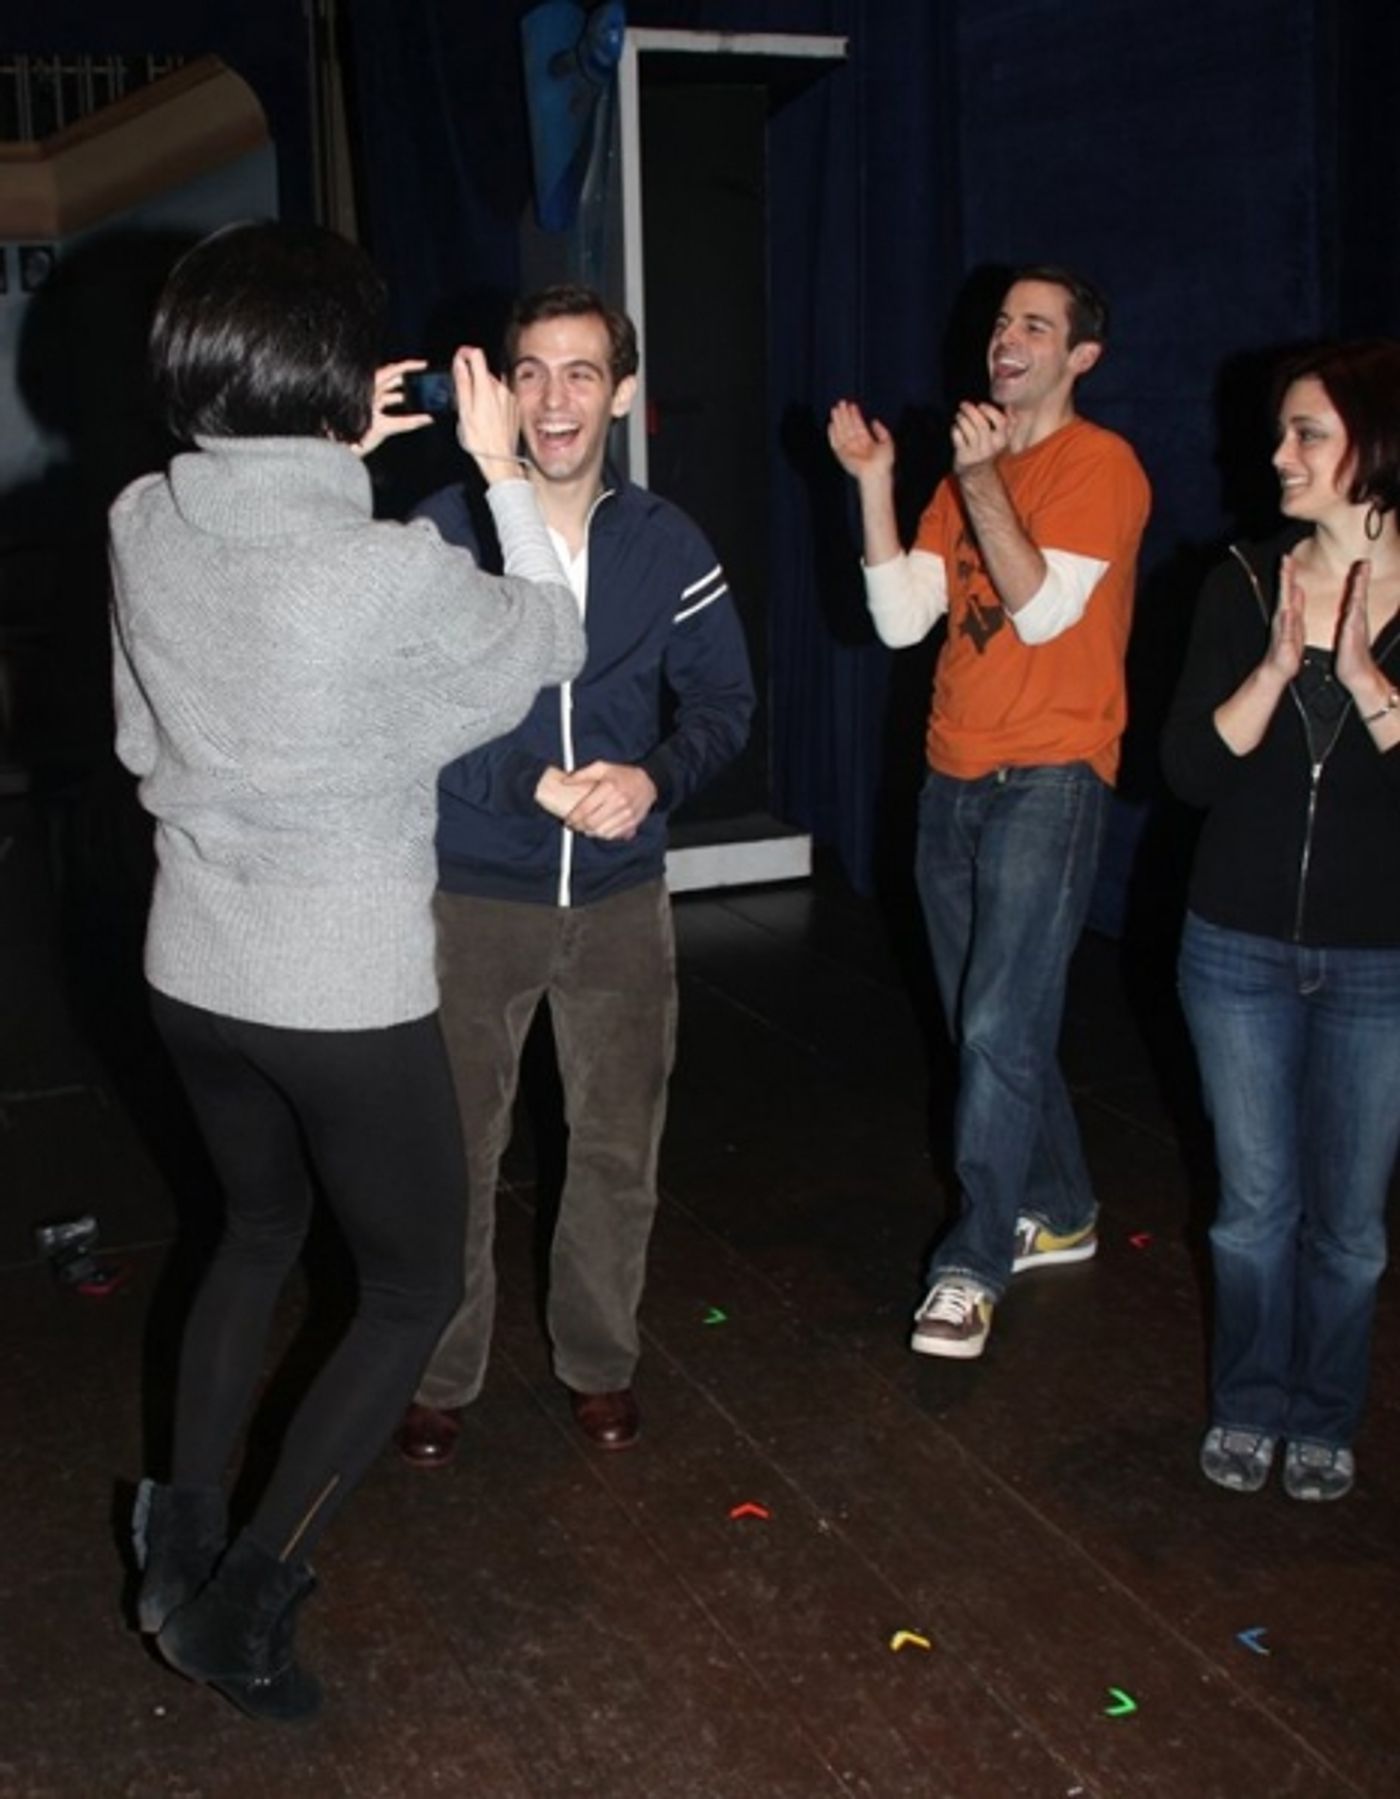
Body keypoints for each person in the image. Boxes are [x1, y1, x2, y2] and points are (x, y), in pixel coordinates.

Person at [113, 221, 585, 1719]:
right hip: (340, 989)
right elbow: (550, 636)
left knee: (254, 1234)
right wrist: (503, 466)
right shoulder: (386, 572)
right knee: (410, 1286)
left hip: (192, 964)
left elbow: (149, 733)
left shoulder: (140, 517)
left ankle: (173, 1537)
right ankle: (242, 1599)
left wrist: (323, 448)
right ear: (328, 377)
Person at [393, 283, 754, 1467]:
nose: (556, 399)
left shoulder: (668, 543)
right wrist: (524, 784)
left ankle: (598, 1364)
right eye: (533, 372)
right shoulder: (445, 531)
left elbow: (723, 704)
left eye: (582, 372)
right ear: (500, 388)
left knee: (613, 1145)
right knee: (455, 1147)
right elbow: (406, 715)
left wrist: (651, 777)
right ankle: (438, 1372)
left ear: (624, 393)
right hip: (470, 894)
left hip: (618, 903)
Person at [828, 265, 1151, 1360]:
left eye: (1034, 325)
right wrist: (877, 481)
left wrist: (980, 485)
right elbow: (899, 619)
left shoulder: (1098, 465)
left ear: (1079, 357)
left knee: (998, 1028)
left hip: (1049, 776)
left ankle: (971, 1264)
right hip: (951, 776)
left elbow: (1043, 608)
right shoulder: (964, 467)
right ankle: (1057, 1207)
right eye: (1000, 321)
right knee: (990, 1023)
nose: (1005, 338)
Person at [1162, 340, 1400, 1503]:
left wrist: (1365, 684)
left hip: (1380, 961)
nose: (1278, 455)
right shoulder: (1240, 582)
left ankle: (1323, 1413)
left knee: (1348, 1224)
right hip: (1235, 945)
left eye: (1306, 432)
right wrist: (1271, 669)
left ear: (1375, 443)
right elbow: (1184, 773)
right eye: (1280, 432)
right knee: (1253, 1209)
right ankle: (1248, 1402)